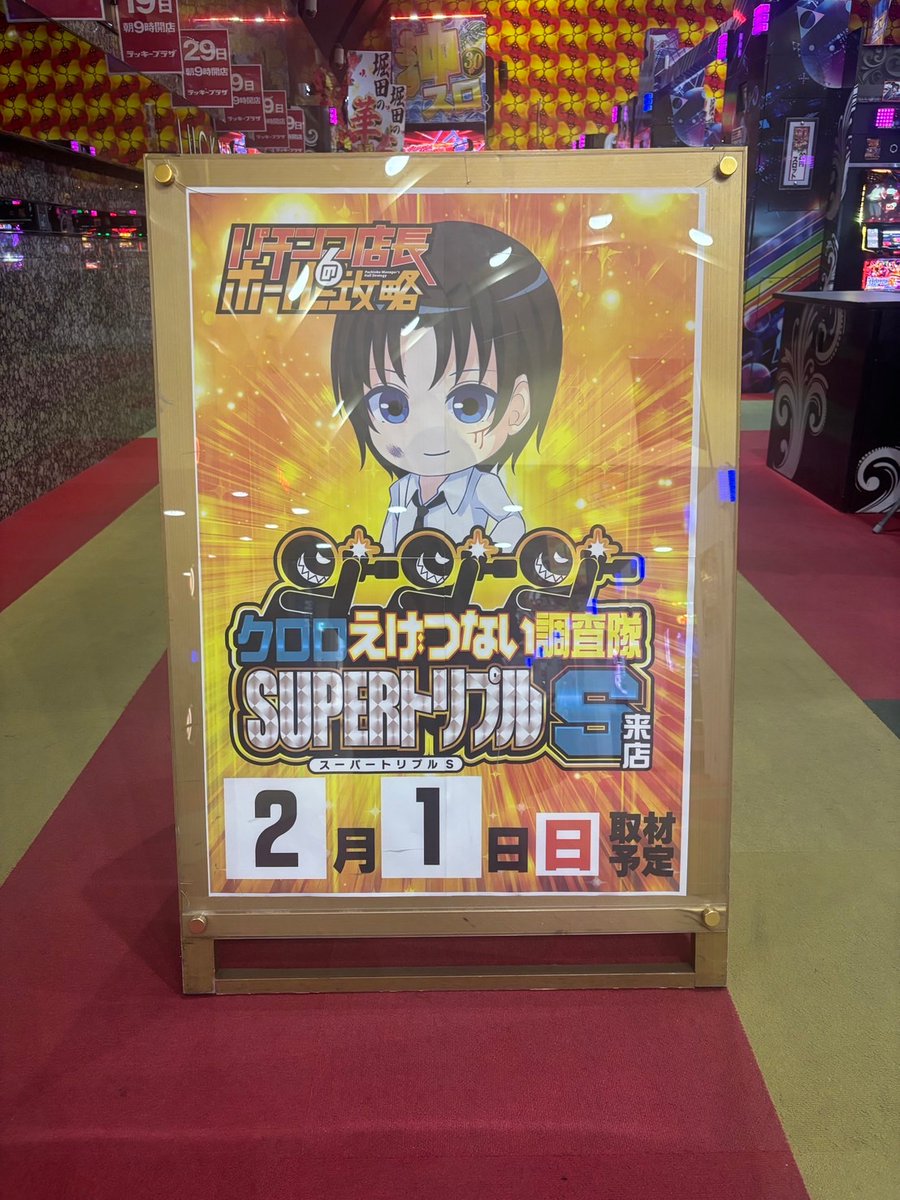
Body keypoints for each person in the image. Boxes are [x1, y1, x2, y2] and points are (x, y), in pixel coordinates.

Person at [330, 220, 563, 552]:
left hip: (468, 582)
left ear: (518, 407)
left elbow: (512, 522)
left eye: (470, 404)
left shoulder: (481, 486)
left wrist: (488, 555)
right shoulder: (401, 491)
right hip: (406, 584)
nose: (429, 428)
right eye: (392, 406)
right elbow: (389, 539)